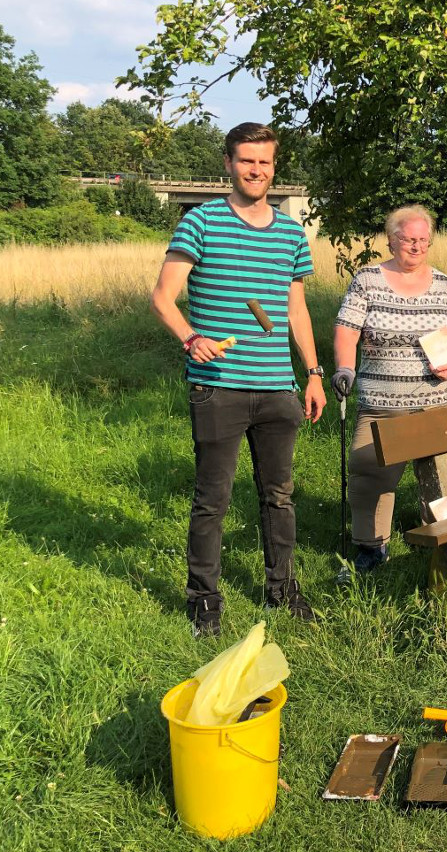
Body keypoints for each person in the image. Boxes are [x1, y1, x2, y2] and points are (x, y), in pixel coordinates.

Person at [149, 122, 326, 638]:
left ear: (275, 166)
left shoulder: (292, 233)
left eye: (265, 162)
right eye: (247, 160)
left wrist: (312, 374)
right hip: (218, 385)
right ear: (228, 163)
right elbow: (163, 296)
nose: (256, 170)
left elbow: (295, 307)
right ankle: (204, 599)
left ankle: (282, 589)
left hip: (278, 387)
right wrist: (190, 337)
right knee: (213, 499)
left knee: (280, 496)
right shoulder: (200, 223)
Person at [331, 205, 447, 573]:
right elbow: (347, 329)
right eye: (409, 239)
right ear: (392, 240)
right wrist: (345, 368)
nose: (417, 246)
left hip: (443, 399)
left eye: (423, 240)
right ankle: (371, 545)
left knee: (446, 473)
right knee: (368, 471)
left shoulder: (445, 284)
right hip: (383, 402)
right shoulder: (367, 280)